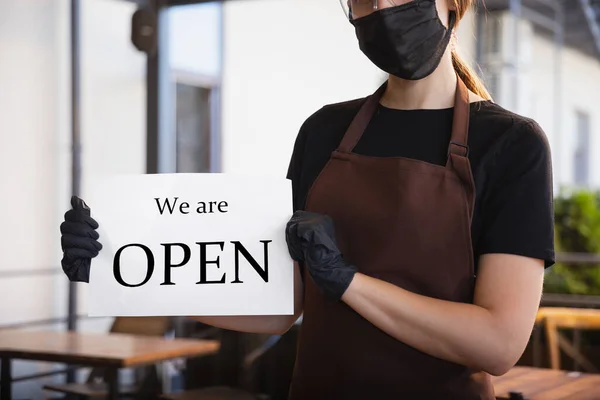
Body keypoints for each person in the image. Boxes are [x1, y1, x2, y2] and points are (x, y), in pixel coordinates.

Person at [60, 0, 555, 398]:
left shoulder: (511, 145)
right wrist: (125, 274)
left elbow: (498, 343)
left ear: (454, 4)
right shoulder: (324, 131)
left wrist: (347, 282)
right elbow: (280, 305)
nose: (381, 6)